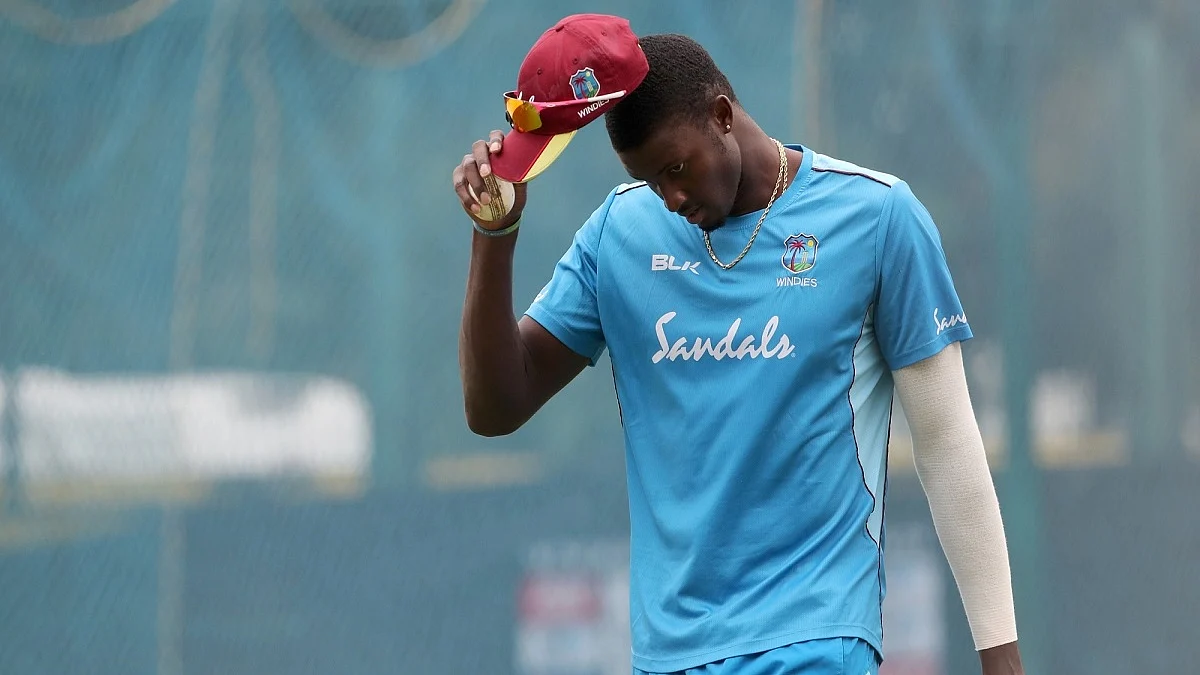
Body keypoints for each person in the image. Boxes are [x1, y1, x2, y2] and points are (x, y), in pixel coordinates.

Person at [452, 13, 1025, 675]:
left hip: (816, 640)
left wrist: (1000, 657)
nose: (670, 197)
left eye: (677, 167)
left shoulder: (876, 218)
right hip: (669, 655)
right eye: (651, 180)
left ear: (721, 115)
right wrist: (494, 236)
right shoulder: (618, 234)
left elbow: (948, 442)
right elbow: (495, 407)